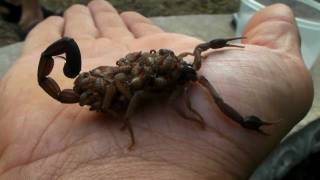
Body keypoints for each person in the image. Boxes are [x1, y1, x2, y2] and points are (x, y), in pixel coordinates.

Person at [0, 0, 313, 179]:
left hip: (114, 80)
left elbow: (186, 76)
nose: (194, 68)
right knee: (136, 88)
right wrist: (128, 122)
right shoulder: (174, 76)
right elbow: (141, 88)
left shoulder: (181, 74)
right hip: (107, 83)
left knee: (138, 87)